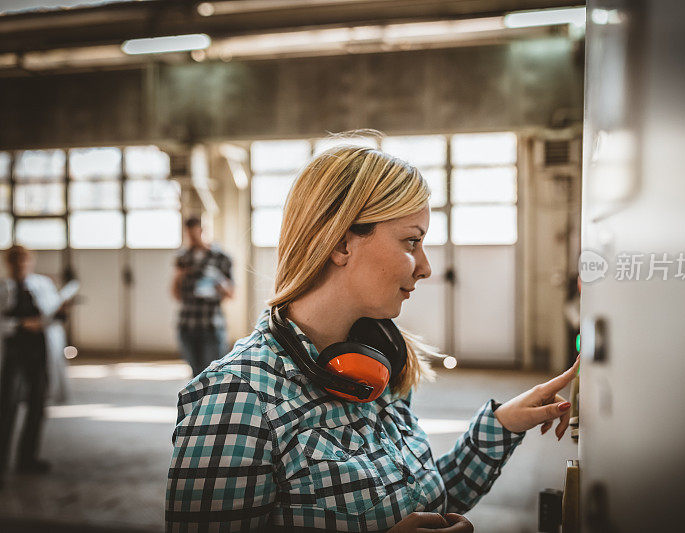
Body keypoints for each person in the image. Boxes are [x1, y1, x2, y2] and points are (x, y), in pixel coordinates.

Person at [165, 144, 579, 532]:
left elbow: (420, 499)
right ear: (342, 242)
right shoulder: (237, 398)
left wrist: (502, 424)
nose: (425, 267)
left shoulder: (375, 366)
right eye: (411, 242)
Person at [0, 245, 70, 482]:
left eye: (24, 261)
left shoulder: (43, 285)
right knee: (6, 408)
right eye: (15, 261)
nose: (20, 266)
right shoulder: (3, 288)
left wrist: (61, 313)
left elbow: (51, 316)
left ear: (30, 262)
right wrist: (21, 325)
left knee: (37, 405)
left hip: (38, 353)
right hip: (13, 354)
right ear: (8, 264)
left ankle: (26, 459)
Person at [171, 216, 235, 377]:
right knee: (196, 375)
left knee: (212, 375)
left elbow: (232, 293)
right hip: (187, 324)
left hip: (211, 325)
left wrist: (220, 284)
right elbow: (176, 295)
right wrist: (179, 276)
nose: (192, 238)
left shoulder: (221, 258)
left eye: (194, 233)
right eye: (188, 235)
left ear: (202, 231)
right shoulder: (183, 258)